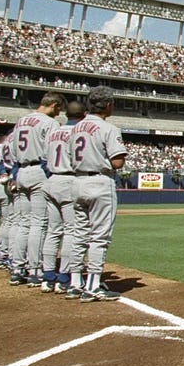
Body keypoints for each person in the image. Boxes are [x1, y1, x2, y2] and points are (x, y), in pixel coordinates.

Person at [66, 86, 126, 302]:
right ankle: (92, 286)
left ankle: (74, 283)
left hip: (77, 180)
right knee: (99, 237)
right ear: (108, 105)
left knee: (79, 234)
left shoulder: (75, 128)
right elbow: (117, 161)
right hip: (100, 182)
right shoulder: (108, 128)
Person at [8, 91, 64, 287]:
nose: (59, 113)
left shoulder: (21, 121)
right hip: (38, 170)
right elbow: (52, 153)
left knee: (24, 222)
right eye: (58, 109)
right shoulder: (49, 123)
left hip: (21, 171)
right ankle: (35, 269)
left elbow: (12, 152)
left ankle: (17, 268)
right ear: (54, 105)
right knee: (39, 223)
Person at [40, 100, 85, 294]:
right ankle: (64, 277)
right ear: (83, 115)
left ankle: (48, 276)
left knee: (53, 231)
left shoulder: (54, 131)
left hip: (52, 180)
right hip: (69, 180)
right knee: (71, 231)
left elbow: (44, 159)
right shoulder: (79, 132)